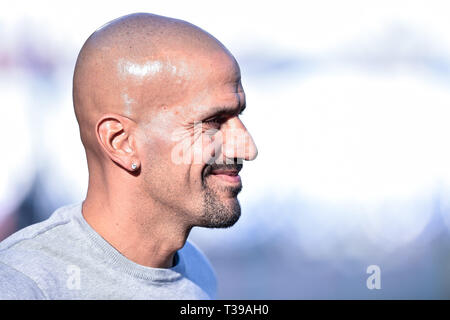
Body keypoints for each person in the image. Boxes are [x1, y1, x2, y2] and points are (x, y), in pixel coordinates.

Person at [0, 12, 257, 299]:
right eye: (213, 121)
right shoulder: (24, 285)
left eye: (238, 116)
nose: (247, 148)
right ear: (121, 142)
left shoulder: (197, 272)